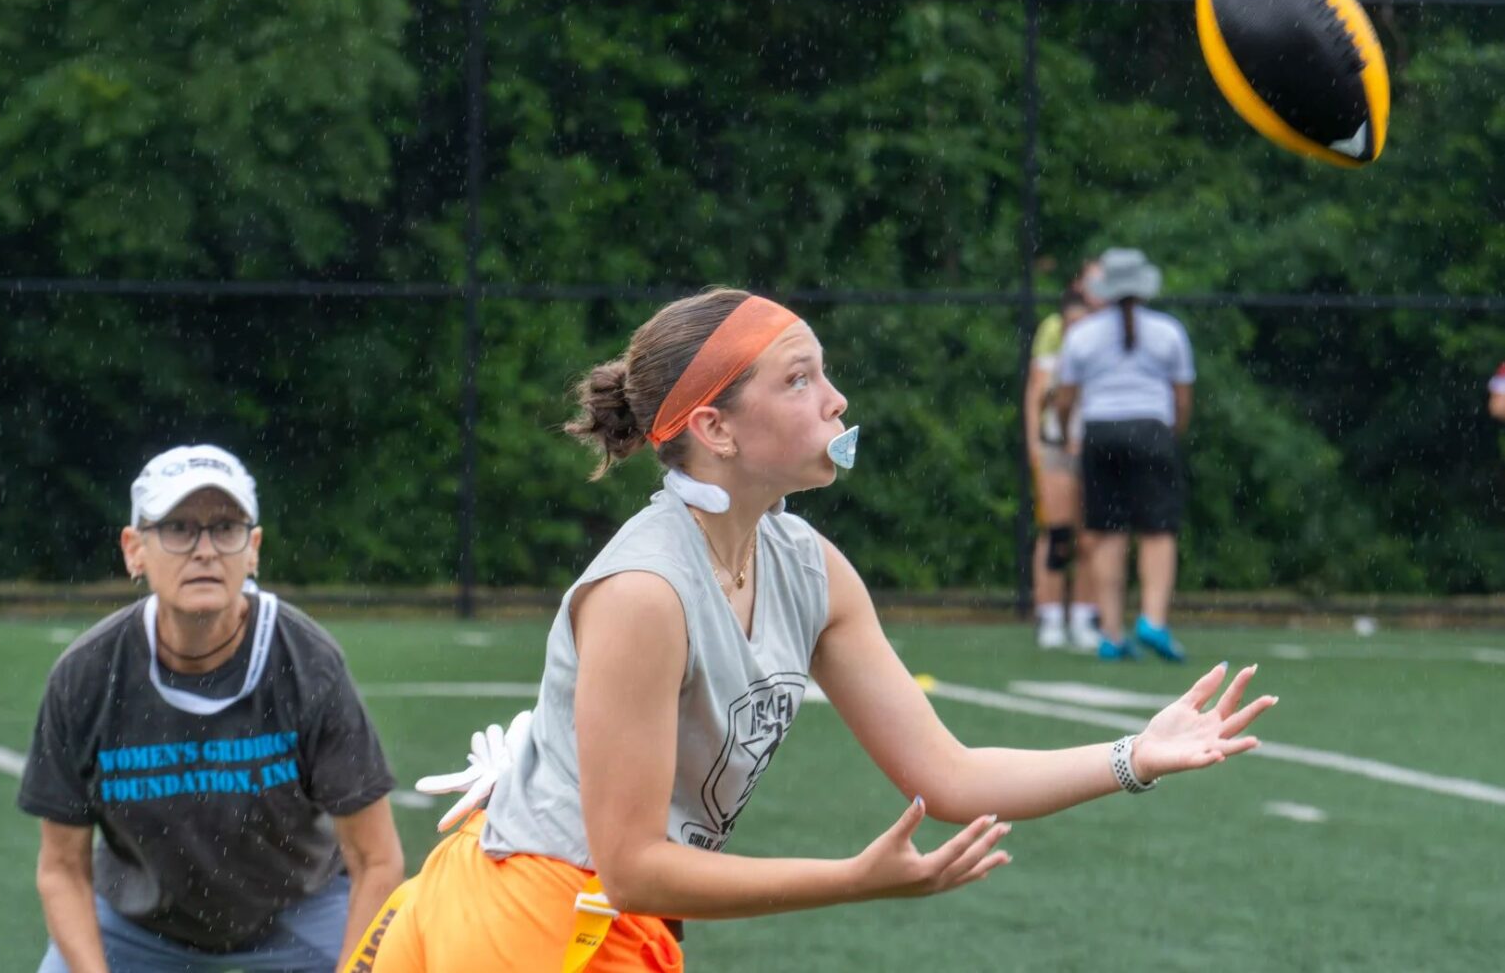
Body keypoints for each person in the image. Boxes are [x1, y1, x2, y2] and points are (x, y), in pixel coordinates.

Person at [345, 288, 1272, 973]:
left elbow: (948, 776)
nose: (835, 400)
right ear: (715, 428)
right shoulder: (643, 592)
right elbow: (631, 869)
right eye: (799, 379)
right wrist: (854, 878)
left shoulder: (808, 567)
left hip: (598, 918)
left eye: (822, 374)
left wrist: (1133, 756)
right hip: (534, 921)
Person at [19, 444, 404, 973]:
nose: (205, 550)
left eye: (225, 528)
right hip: (138, 924)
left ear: (253, 550)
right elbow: (61, 868)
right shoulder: (85, 676)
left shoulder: (308, 662)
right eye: (178, 528)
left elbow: (377, 859)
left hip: (297, 909)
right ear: (134, 550)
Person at [1056, 249, 1195, 662]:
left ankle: (1111, 633)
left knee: (1108, 532)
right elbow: (1182, 398)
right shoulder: (1169, 332)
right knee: (1157, 531)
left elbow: (1065, 399)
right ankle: (1153, 619)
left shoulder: (1081, 335)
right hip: (1151, 430)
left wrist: (1067, 434)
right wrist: (1170, 435)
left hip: (1099, 433)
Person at [1023, 285, 1100, 650]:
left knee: (1091, 536)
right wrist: (1035, 445)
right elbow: (1037, 398)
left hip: (1093, 449)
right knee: (1058, 534)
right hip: (1057, 448)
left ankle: (1084, 616)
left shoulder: (1101, 358)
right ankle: (1050, 616)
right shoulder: (1054, 360)